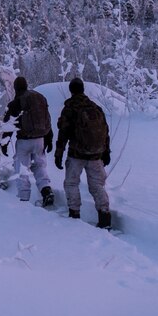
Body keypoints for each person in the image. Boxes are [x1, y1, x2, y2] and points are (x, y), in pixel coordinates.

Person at [54, 77, 113, 228]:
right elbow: (105, 130)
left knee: (71, 183)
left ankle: (74, 214)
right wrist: (106, 151)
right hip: (96, 155)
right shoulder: (95, 107)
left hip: (76, 155)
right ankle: (105, 216)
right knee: (97, 186)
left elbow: (63, 133)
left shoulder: (69, 108)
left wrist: (58, 154)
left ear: (71, 90)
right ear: (83, 89)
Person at [3, 76, 54, 207]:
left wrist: (5, 141)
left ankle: (23, 201)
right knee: (39, 166)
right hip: (40, 139)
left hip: (24, 141)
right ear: (26, 85)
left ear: (15, 88)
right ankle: (46, 190)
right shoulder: (39, 97)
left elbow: (9, 124)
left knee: (22, 170)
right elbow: (47, 118)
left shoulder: (16, 102)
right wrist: (49, 137)